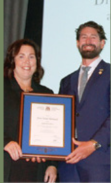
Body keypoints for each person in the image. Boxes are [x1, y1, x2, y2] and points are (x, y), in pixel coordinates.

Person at [58, 21, 110, 182]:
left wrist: (93, 144)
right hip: (68, 164)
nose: (88, 41)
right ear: (77, 43)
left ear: (102, 43)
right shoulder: (66, 81)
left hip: (99, 162)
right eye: (84, 37)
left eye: (93, 37)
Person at [3, 39, 57, 182]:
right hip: (6, 164)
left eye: (31, 56)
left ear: (37, 61)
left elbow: (54, 134)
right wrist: (5, 142)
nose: (27, 62)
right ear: (12, 61)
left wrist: (52, 165)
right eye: (21, 56)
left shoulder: (47, 93)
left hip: (36, 168)